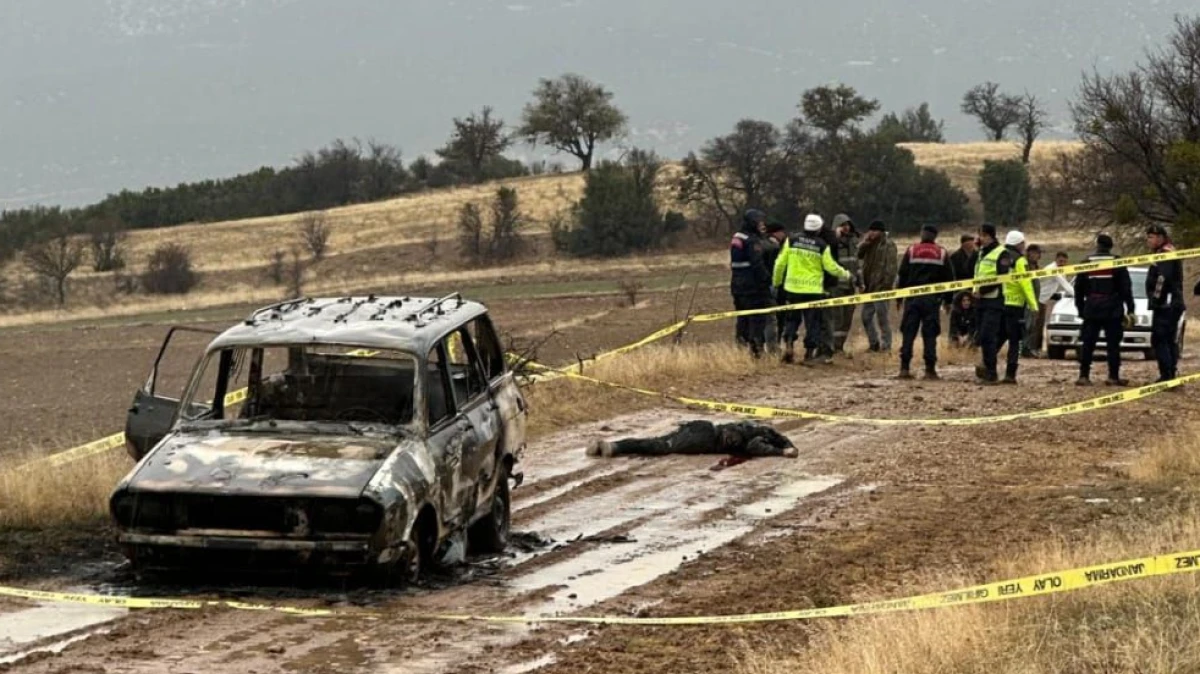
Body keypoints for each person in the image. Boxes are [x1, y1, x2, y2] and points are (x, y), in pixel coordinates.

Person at [774, 214, 851, 364]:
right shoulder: (821, 245)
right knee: (812, 323)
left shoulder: (791, 240)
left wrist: (777, 282)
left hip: (792, 288)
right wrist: (847, 274)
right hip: (813, 291)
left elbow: (780, 263)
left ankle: (789, 344)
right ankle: (809, 354)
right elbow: (831, 267)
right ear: (818, 229)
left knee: (791, 320)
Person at [1072, 233, 1135, 386]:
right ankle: (1113, 376)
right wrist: (1131, 308)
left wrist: (1081, 309)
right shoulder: (1117, 262)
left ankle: (1084, 375)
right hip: (1113, 309)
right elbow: (1126, 288)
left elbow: (1078, 289)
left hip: (1092, 307)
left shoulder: (1086, 262)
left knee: (1088, 343)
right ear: (1110, 247)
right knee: (1113, 344)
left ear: (1097, 245)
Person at [896, 225, 955, 380]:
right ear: (935, 236)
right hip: (932, 300)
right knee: (930, 334)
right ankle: (930, 370)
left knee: (908, 333)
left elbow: (902, 274)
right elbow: (949, 279)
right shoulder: (941, 253)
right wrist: (948, 300)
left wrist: (899, 297)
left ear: (922, 234)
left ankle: (904, 369)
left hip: (912, 298)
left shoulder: (911, 250)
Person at [585, 420, 798, 458]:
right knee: (661, 446)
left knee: (659, 442)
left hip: (702, 429)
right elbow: (755, 447)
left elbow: (781, 438)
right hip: (704, 438)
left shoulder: (762, 430)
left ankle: (613, 446)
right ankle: (613, 447)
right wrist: (781, 452)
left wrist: (787, 447)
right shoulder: (759, 436)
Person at [973, 223, 1016, 384]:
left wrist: (982, 290)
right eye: (979, 235)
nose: (980, 238)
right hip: (980, 301)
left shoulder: (1002, 253)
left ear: (991, 236)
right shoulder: (981, 253)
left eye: (983, 235)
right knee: (982, 338)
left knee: (988, 336)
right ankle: (986, 371)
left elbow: (1001, 277)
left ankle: (991, 373)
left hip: (994, 300)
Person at [729, 209, 773, 358]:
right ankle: (757, 350)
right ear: (753, 222)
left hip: (737, 285)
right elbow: (757, 264)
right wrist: (768, 280)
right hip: (752, 287)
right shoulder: (752, 240)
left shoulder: (737, 237)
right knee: (757, 319)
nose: (762, 224)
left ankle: (740, 348)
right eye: (759, 221)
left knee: (742, 318)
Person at [997, 230, 1038, 384]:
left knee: (999, 336)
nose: (1024, 246)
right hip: (1015, 306)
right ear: (1018, 244)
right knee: (1014, 341)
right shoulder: (1020, 261)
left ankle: (986, 367)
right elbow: (1025, 283)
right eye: (1023, 243)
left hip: (1000, 302)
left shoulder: (1000, 256)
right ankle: (1010, 375)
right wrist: (1033, 304)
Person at [1146, 224, 1185, 383]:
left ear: (1161, 237)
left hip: (1167, 304)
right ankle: (1170, 373)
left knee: (1160, 339)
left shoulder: (1166, 253)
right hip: (1170, 303)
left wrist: (1156, 299)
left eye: (1151, 237)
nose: (1148, 240)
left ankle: (1167, 375)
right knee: (1168, 339)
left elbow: (1163, 278)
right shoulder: (1163, 252)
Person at [857, 219, 898, 352]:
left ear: (880, 231)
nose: (872, 233)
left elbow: (891, 267)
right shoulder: (869, 244)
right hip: (869, 286)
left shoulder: (888, 245)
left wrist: (886, 285)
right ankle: (873, 343)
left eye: (874, 230)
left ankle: (886, 345)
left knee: (882, 317)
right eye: (870, 230)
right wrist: (865, 243)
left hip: (881, 287)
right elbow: (858, 255)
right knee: (866, 317)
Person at [823, 214, 861, 356]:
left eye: (848, 224)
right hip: (836, 285)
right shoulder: (831, 242)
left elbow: (857, 264)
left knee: (847, 318)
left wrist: (860, 281)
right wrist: (835, 238)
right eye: (843, 225)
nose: (846, 227)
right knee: (836, 317)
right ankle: (830, 346)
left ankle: (839, 346)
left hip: (850, 286)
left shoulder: (853, 242)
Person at [762, 221, 789, 352]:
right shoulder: (773, 248)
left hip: (769, 286)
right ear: (776, 233)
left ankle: (772, 345)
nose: (784, 234)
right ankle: (774, 345)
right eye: (782, 232)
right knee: (777, 318)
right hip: (776, 286)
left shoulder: (764, 244)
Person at [1021, 244, 1045, 358]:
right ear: (1029, 253)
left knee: (1032, 325)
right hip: (1027, 300)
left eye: (1038, 253)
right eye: (1034, 253)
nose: (1036, 255)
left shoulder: (1036, 267)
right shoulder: (1025, 266)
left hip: (1035, 299)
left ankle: (1029, 347)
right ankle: (1025, 348)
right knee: (1027, 325)